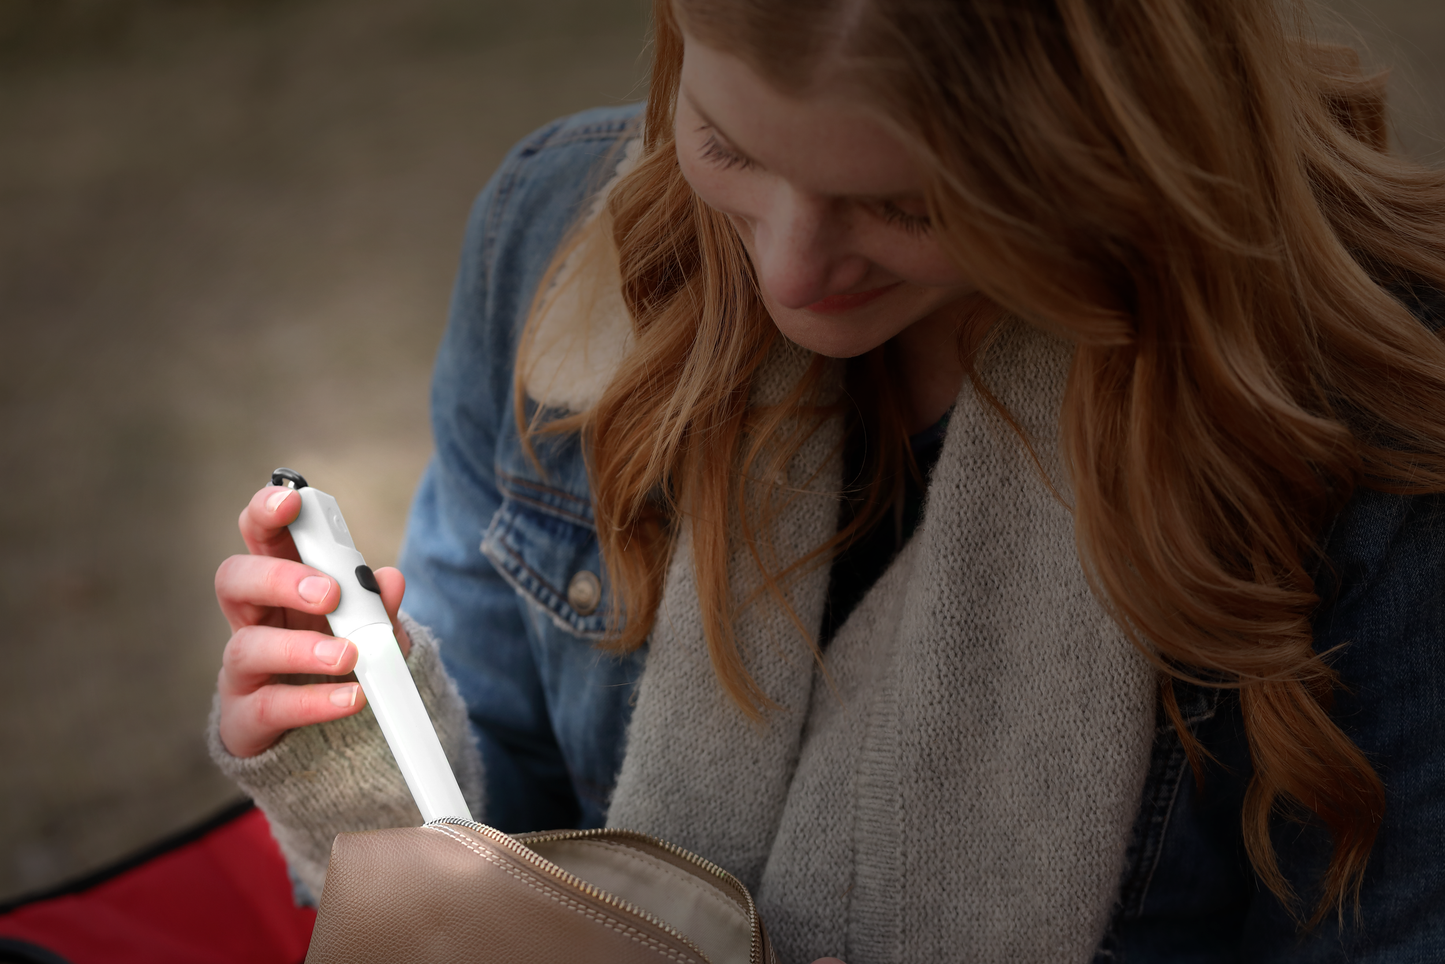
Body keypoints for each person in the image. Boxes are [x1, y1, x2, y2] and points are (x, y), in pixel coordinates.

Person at [208, 0, 1445, 960]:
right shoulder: (552, 236)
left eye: (901, 204)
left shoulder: (1362, 421)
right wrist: (359, 780)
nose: (794, 273)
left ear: (1113, 131)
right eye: (728, 147)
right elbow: (508, 833)